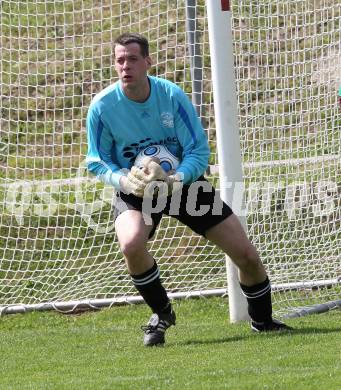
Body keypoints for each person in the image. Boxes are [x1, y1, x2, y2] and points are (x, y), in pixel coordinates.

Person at [86, 32, 292, 347]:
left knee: (246, 254)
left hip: (183, 186)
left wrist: (176, 179)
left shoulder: (170, 96)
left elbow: (198, 150)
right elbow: (97, 162)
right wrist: (125, 181)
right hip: (137, 190)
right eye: (119, 60)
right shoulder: (102, 107)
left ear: (148, 62)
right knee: (130, 244)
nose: (125, 66)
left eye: (132, 58)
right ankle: (162, 313)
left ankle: (263, 322)